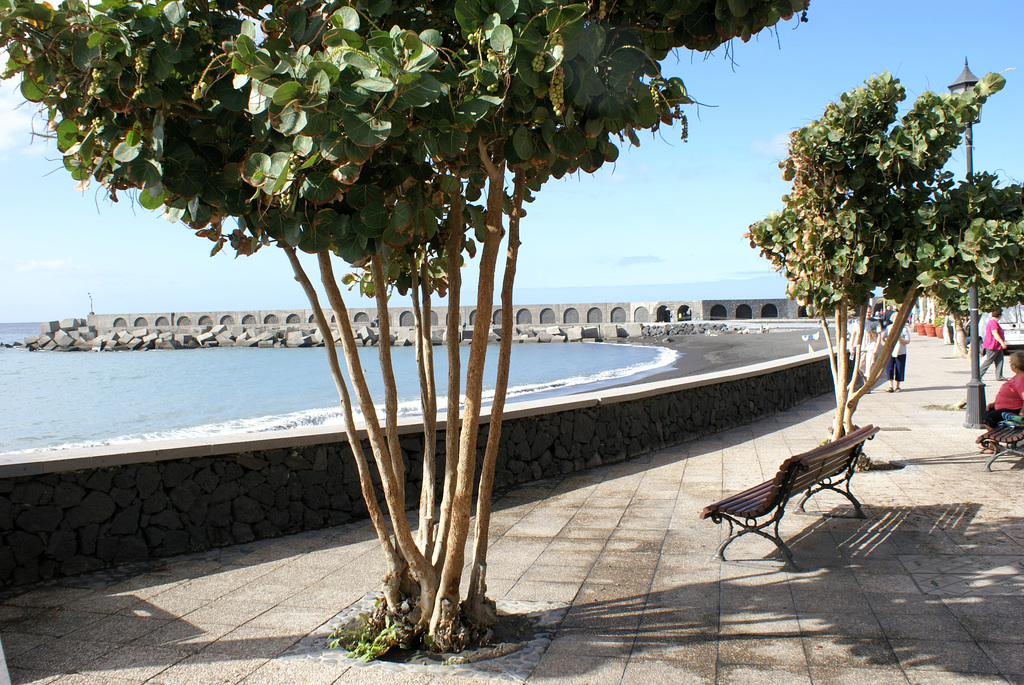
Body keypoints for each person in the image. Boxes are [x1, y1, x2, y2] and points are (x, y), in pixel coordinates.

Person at [982, 351, 1024, 429]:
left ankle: (993, 438)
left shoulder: (1022, 379)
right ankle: (993, 438)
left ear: (1014, 365)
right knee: (988, 413)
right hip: (1005, 407)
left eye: (1010, 362)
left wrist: (1022, 413)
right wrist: (994, 403)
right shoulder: (1018, 376)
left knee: (990, 417)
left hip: (1014, 410)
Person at [979, 308, 1009, 381]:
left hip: (996, 345)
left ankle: (999, 376)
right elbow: (995, 333)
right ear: (1000, 315)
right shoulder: (993, 322)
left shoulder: (992, 322)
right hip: (993, 345)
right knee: (989, 360)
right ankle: (978, 375)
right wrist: (1002, 343)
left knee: (1000, 360)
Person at [883, 320, 911, 392]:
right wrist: (887, 342)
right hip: (890, 351)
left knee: (899, 368)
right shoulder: (888, 328)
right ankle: (890, 386)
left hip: (901, 351)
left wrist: (900, 338)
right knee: (889, 367)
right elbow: (883, 338)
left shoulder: (904, 329)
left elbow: (907, 341)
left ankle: (897, 386)